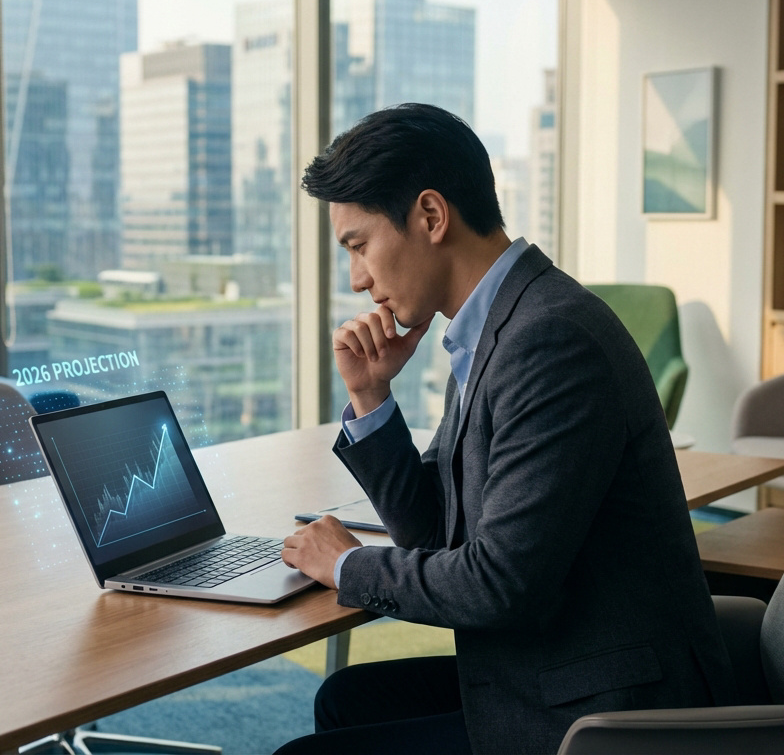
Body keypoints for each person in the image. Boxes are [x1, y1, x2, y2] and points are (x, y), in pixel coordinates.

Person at [276, 103, 734, 755]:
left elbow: (498, 585)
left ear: (431, 216)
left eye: (359, 245)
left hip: (607, 707)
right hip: (558, 661)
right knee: (345, 700)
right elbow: (438, 532)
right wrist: (370, 395)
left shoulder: (548, 339)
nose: (357, 280)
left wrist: (349, 565)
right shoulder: (498, 324)